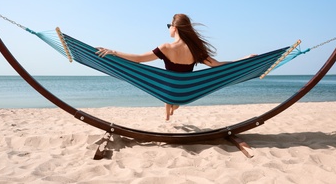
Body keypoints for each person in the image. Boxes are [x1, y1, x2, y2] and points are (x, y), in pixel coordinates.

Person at [96, 14, 255, 121]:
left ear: (175, 28)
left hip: (168, 90)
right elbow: (218, 66)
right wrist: (243, 60)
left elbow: (138, 59)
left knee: (168, 79)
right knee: (175, 84)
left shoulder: (166, 47)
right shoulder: (195, 50)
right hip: (186, 94)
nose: (169, 29)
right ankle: (170, 110)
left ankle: (168, 112)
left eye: (169, 25)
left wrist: (114, 52)